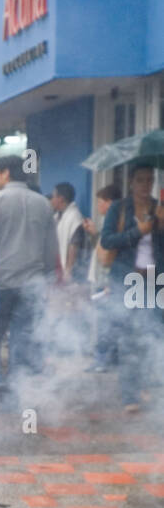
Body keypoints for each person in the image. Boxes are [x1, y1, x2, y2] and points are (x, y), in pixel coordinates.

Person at [0, 154, 59, 391]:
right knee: (22, 335)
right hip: (32, 282)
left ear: (5, 173)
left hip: (0, 280)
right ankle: (17, 383)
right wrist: (46, 279)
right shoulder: (43, 203)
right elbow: (51, 249)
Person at [100, 162, 164, 412]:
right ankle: (130, 395)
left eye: (149, 180)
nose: (145, 185)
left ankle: (147, 385)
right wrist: (138, 231)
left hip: (155, 281)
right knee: (129, 338)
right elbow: (106, 240)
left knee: (154, 334)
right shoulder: (119, 208)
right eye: (140, 180)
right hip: (127, 279)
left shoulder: (158, 209)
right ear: (131, 182)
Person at [83, 182, 120, 371]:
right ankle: (104, 359)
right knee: (104, 322)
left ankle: (103, 360)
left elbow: (108, 257)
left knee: (105, 323)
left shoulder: (114, 224)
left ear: (110, 202)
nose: (98, 206)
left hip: (106, 282)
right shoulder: (108, 223)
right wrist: (95, 234)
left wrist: (108, 283)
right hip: (101, 280)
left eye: (100, 202)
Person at [50, 182, 87, 278]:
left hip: (71, 272)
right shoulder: (57, 216)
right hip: (57, 268)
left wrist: (68, 271)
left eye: (53, 197)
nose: (51, 200)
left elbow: (74, 245)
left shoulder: (74, 217)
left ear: (61, 199)